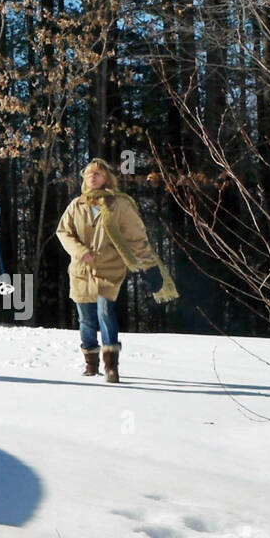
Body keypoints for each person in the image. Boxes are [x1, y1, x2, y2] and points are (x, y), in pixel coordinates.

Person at [55, 158, 178, 383]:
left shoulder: (119, 204)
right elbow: (63, 232)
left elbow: (136, 237)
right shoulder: (76, 205)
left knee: (104, 312)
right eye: (89, 174)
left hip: (109, 268)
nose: (93, 176)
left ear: (107, 179)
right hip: (81, 270)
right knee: (86, 319)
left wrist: (149, 267)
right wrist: (81, 251)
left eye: (98, 174)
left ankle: (111, 367)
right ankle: (91, 364)